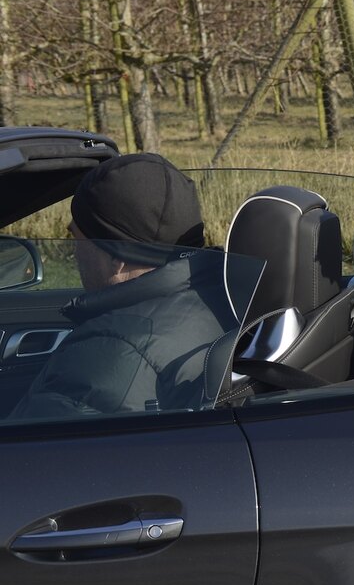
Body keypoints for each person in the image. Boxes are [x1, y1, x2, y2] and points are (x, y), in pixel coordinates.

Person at [11, 153, 233, 421]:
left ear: (116, 254)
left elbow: (33, 459)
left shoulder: (106, 353)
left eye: (77, 239)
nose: (75, 254)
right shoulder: (222, 299)